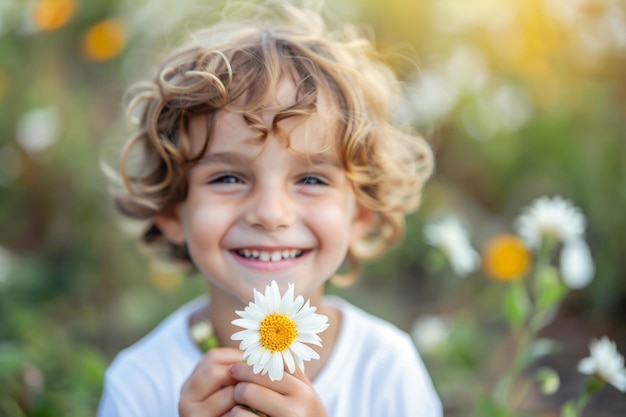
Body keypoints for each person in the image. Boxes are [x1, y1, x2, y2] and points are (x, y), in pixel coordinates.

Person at [97, 1, 441, 416]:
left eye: (311, 180)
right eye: (227, 178)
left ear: (361, 213)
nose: (271, 213)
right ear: (171, 211)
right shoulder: (142, 383)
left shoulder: (386, 371)